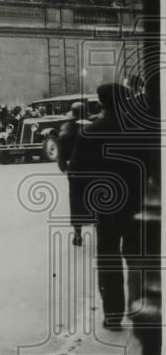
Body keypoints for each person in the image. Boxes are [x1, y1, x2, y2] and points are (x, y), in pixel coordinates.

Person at [69, 83, 145, 330]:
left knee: (109, 258)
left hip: (107, 206)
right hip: (138, 203)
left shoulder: (90, 131)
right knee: (137, 256)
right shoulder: (141, 129)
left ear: (101, 103)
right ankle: (139, 307)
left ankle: (113, 315)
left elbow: (76, 173)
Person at [57, 102, 88, 247]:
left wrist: (65, 168)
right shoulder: (91, 126)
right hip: (92, 169)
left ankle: (78, 234)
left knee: (75, 201)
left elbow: (61, 154)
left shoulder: (66, 129)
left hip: (74, 170)